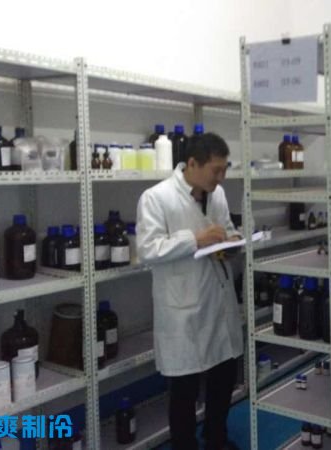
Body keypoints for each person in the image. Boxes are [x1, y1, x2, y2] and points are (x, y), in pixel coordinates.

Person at [136, 132, 242, 450]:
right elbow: (148, 250)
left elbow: (225, 230)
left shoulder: (217, 194)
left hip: (218, 300)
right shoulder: (156, 197)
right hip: (183, 309)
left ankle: (216, 439)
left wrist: (232, 243)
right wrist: (195, 240)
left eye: (224, 169)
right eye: (216, 170)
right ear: (192, 164)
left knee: (223, 379)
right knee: (184, 390)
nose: (221, 177)